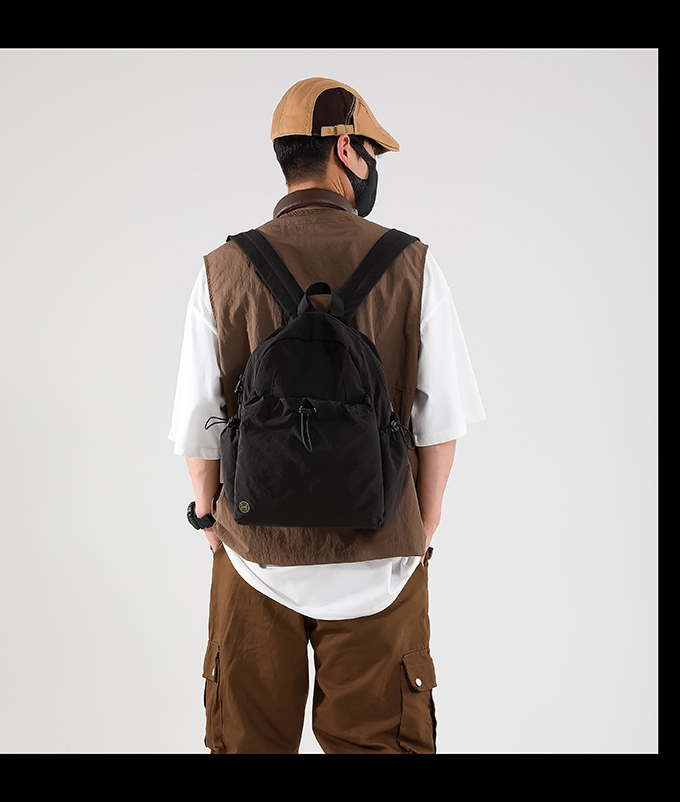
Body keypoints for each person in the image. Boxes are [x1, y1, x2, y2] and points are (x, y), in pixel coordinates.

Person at [168, 77, 485, 754]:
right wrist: (419, 529)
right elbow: (441, 424)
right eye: (371, 152)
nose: (372, 168)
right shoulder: (412, 264)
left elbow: (199, 424)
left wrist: (210, 518)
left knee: (247, 743)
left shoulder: (223, 269)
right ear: (346, 149)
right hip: (381, 562)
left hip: (255, 559)